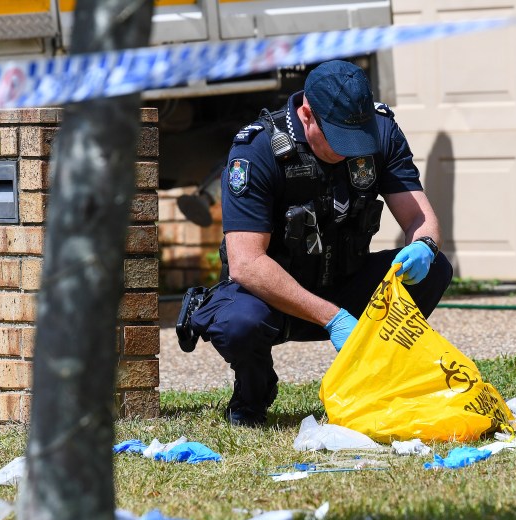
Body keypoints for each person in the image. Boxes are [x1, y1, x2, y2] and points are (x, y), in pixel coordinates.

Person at [187, 60, 453, 426]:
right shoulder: (257, 149)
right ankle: (253, 395)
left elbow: (418, 217)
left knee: (434, 269)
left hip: (347, 281)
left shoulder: (382, 130)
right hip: (275, 300)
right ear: (307, 114)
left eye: (356, 139)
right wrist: (333, 318)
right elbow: (247, 262)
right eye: (339, 139)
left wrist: (423, 244)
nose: (348, 152)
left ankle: (375, 382)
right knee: (237, 321)